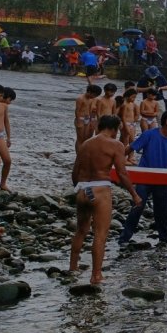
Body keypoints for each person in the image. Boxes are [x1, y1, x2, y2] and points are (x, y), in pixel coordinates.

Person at [69, 115, 141, 284]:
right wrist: (134, 194)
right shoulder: (116, 145)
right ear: (115, 129)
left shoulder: (86, 144)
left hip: (82, 189)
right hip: (100, 190)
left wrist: (78, 189)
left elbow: (75, 171)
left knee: (80, 230)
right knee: (100, 235)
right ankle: (96, 275)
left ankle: (72, 267)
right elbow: (122, 173)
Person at [119, 109, 167, 245]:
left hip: (162, 179)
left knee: (163, 210)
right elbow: (130, 148)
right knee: (138, 206)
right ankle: (124, 238)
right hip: (144, 178)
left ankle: (164, 238)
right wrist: (114, 161)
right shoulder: (149, 135)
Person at [0, 85, 12, 190]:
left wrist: (9, 138)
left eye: (2, 96)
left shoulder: (4, 106)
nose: (1, 98)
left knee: (8, 160)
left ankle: (3, 183)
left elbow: (7, 122)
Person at [74, 84, 101, 152]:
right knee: (80, 139)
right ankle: (79, 156)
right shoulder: (80, 99)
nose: (94, 97)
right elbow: (77, 111)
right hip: (81, 119)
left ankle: (83, 154)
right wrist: (78, 121)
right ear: (89, 92)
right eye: (94, 95)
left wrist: (92, 120)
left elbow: (91, 111)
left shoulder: (91, 99)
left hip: (88, 119)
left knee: (86, 138)